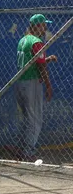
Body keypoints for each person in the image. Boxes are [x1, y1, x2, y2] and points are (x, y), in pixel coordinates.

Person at [14, 14, 58, 162]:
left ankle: (20, 149)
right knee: (35, 120)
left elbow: (32, 60)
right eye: (43, 25)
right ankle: (28, 152)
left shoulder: (23, 39)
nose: (45, 28)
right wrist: (48, 85)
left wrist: (47, 58)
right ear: (37, 26)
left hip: (20, 82)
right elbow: (40, 66)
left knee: (27, 118)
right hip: (32, 82)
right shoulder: (37, 42)